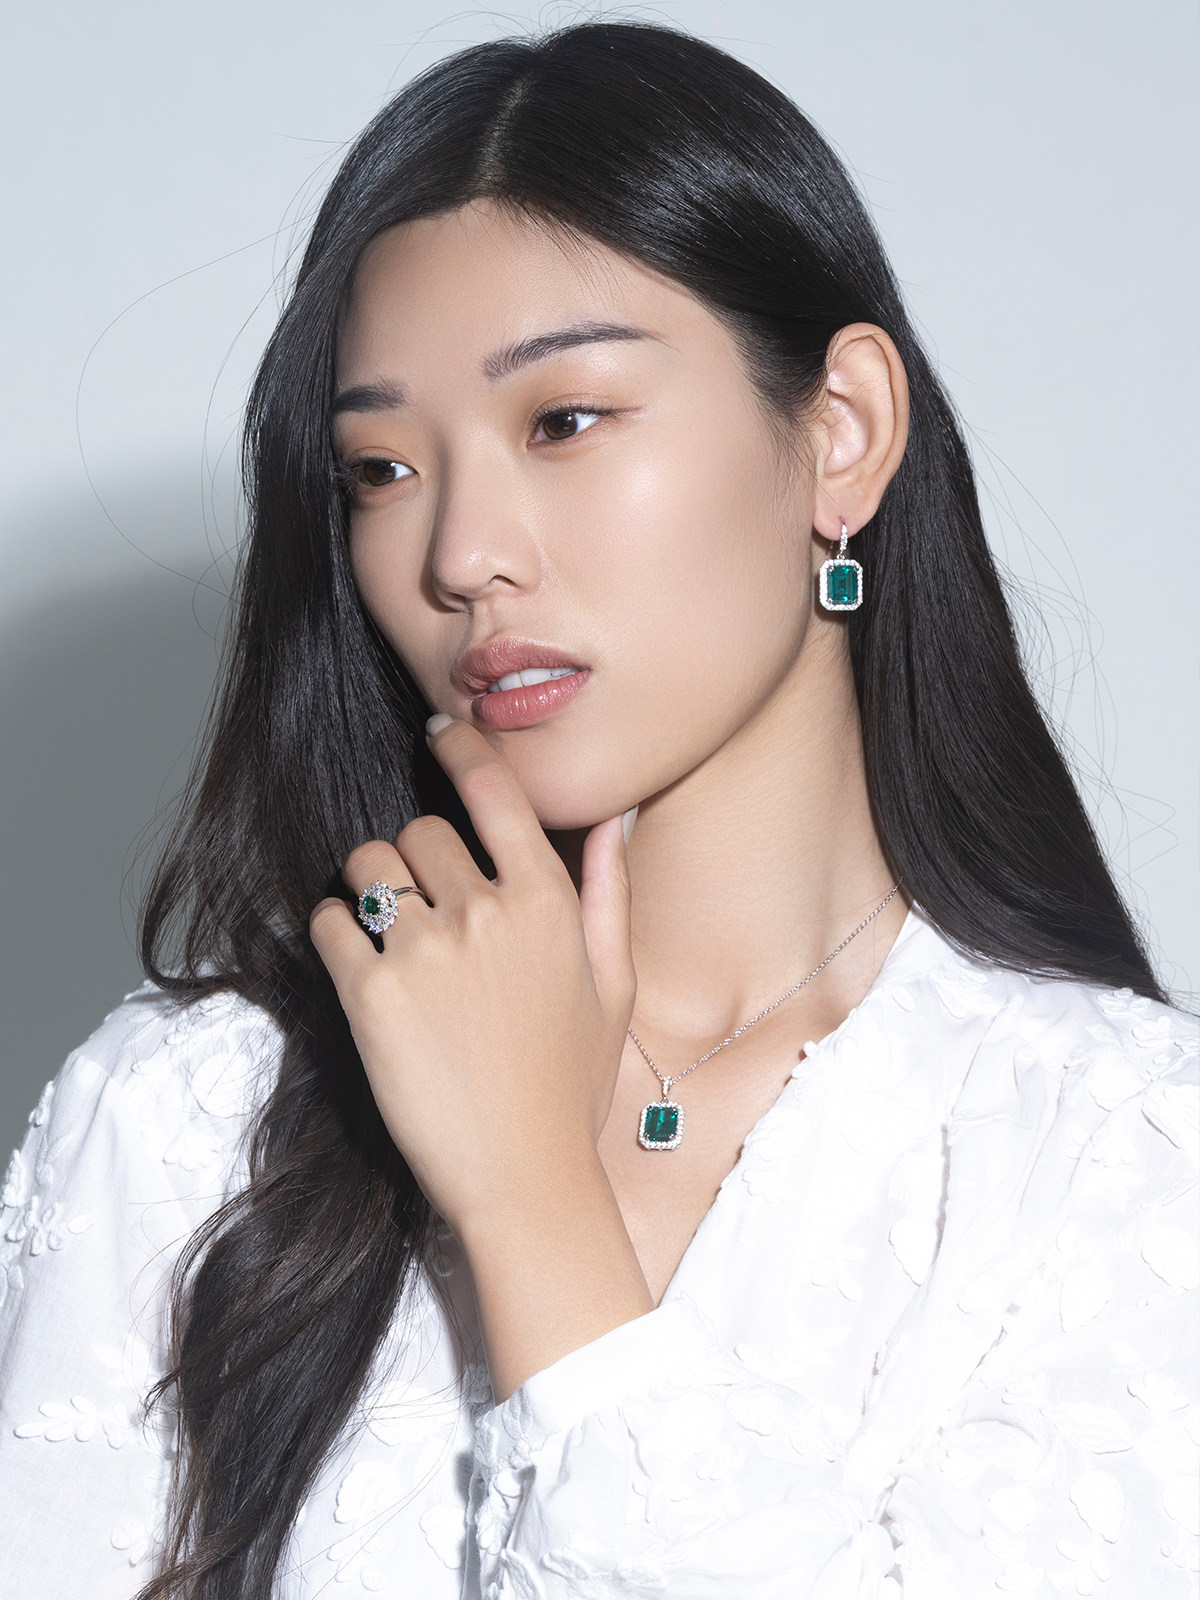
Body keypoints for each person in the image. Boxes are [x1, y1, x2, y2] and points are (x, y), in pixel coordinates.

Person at [1, 18, 1196, 1598]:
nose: (460, 557)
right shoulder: (188, 1115)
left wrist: (534, 1204)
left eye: (563, 421)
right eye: (379, 471)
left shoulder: (1119, 1159)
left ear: (842, 433)